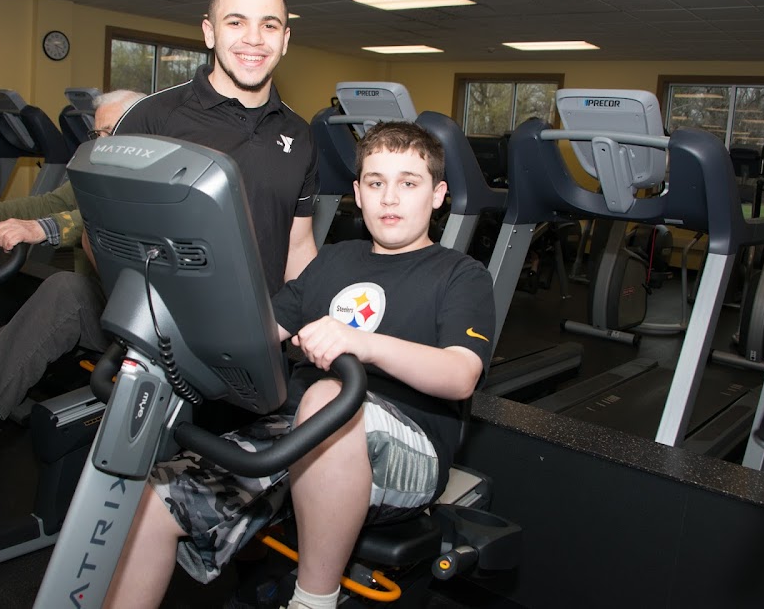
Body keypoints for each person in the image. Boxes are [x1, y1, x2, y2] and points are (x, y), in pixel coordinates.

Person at [0, 0, 319, 455]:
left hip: (252, 341)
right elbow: (98, 235)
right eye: (236, 22)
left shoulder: (299, 136)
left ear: (285, 39)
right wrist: (151, 315)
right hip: (156, 322)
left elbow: (298, 246)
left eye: (269, 25)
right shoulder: (153, 118)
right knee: (67, 289)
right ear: (209, 32)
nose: (253, 38)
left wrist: (310, 327)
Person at [102, 121, 495, 609]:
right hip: (292, 434)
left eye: (408, 183)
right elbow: (261, 334)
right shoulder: (333, 260)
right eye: (376, 182)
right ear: (358, 193)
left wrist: (363, 344)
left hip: (408, 454)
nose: (390, 198)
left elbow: (460, 375)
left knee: (330, 398)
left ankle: (312, 601)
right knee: (153, 504)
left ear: (437, 195)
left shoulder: (460, 274)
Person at [0, 88, 147, 386]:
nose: (100, 144)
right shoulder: (97, 171)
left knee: (62, 290)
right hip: (97, 301)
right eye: (97, 135)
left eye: (110, 132)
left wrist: (43, 229)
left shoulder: (152, 181)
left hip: (131, 319)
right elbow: (49, 204)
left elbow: (111, 222)